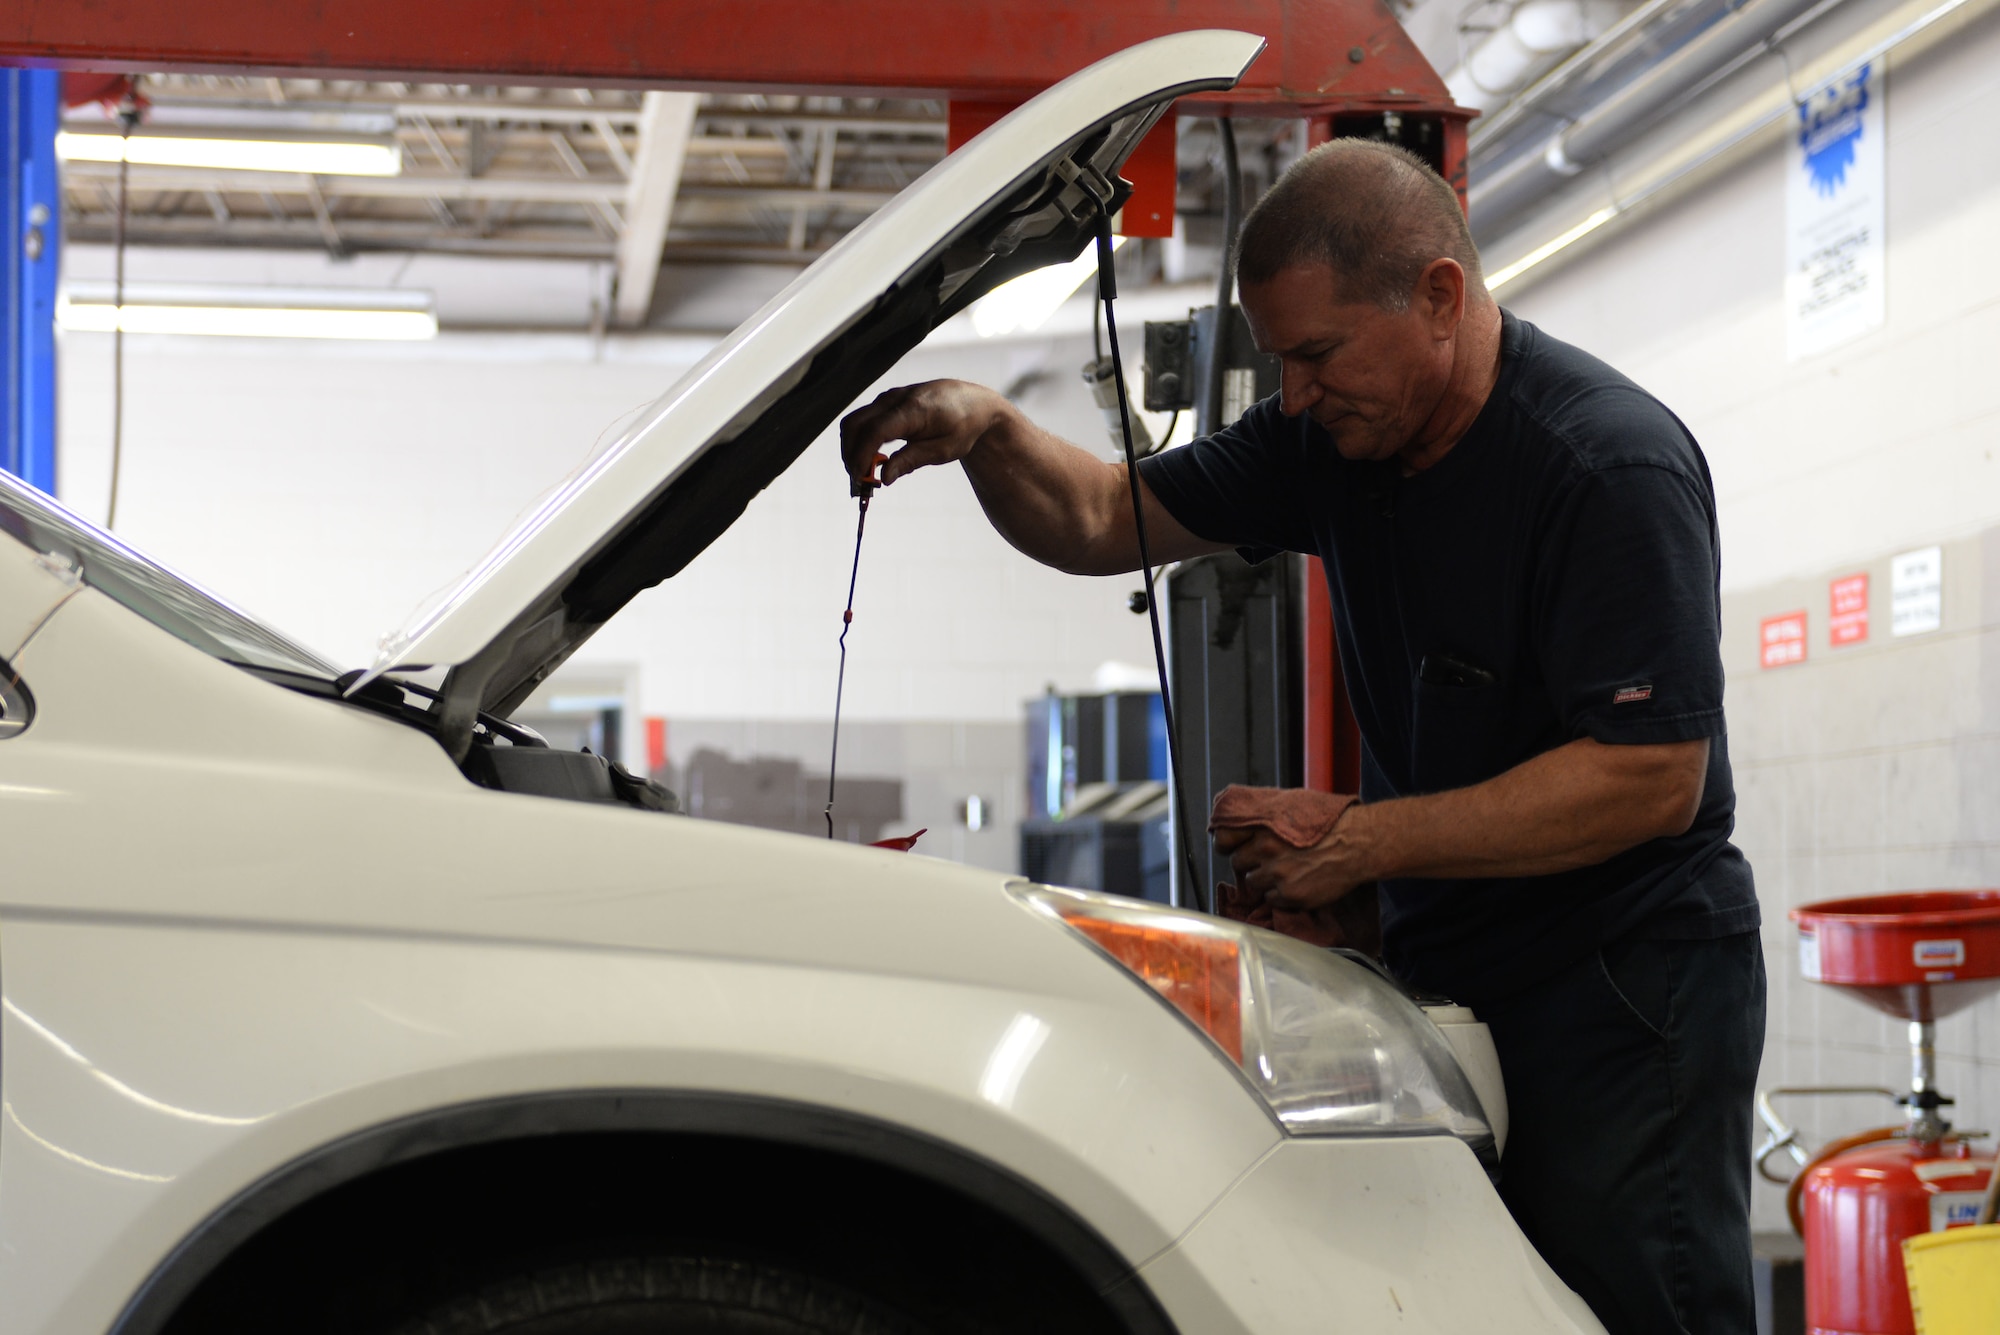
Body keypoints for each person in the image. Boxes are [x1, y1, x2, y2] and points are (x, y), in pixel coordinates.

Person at [839, 138, 1763, 1335]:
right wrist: (988, 429)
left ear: (1437, 295)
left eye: (1317, 355)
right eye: (1280, 362)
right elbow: (1100, 516)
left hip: (1623, 995)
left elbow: (1646, 780)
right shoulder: (1328, 443)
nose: (1296, 393)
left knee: (1634, 1309)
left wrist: (1366, 841)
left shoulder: (1603, 466)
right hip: (1460, 968)